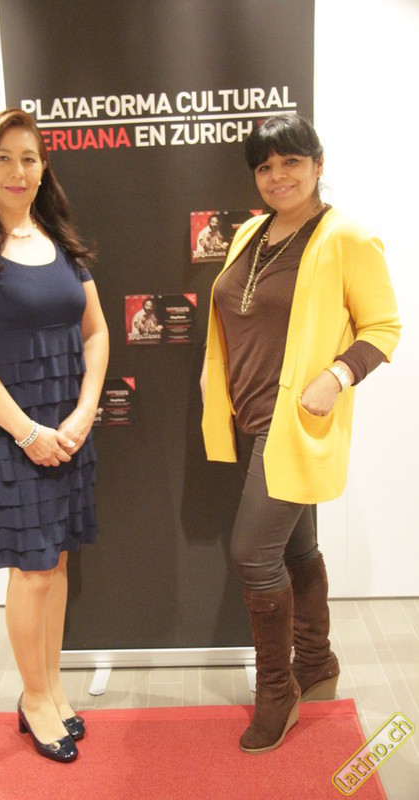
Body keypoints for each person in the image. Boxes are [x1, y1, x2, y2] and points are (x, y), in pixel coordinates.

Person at [200, 114, 400, 755]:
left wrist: (337, 376)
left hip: (295, 423)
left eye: (291, 162)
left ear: (317, 164)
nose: (277, 176)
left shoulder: (348, 237)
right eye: (265, 166)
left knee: (252, 554)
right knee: (295, 548)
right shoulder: (250, 233)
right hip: (251, 417)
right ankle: (316, 662)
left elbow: (384, 328)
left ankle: (277, 691)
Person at [0, 109, 109, 763]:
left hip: (66, 430)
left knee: (55, 563)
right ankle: (33, 698)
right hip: (5, 433)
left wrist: (84, 410)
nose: (18, 170)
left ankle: (52, 688)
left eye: (29, 157)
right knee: (32, 571)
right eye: (3, 158)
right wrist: (29, 431)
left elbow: (96, 331)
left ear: (43, 167)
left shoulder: (61, 239)